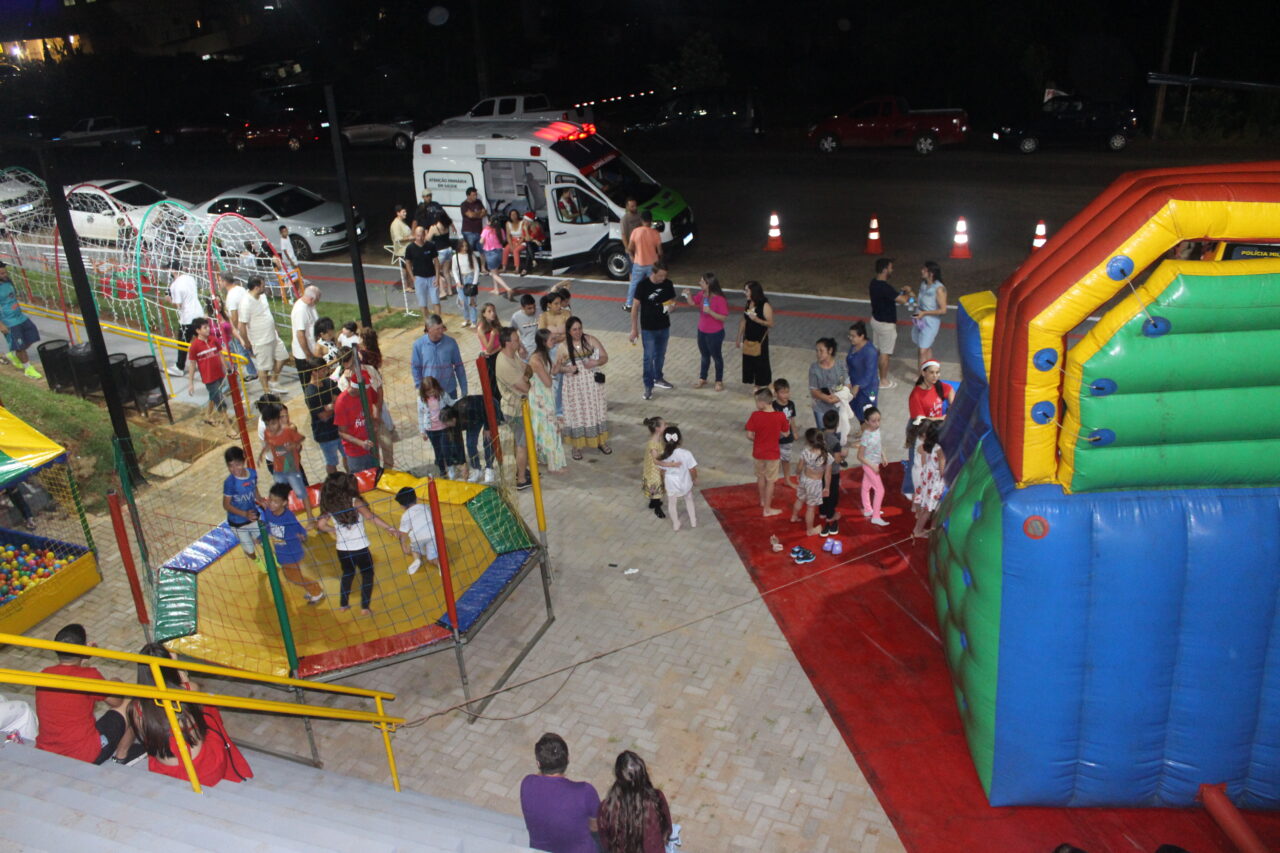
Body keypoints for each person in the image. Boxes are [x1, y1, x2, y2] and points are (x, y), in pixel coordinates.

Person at [129, 643, 252, 786]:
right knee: (208, 708)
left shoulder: (135, 707)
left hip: (167, 774)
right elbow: (189, 695)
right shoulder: (189, 689)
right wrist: (177, 667)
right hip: (205, 772)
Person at [35, 623, 142, 765]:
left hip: (49, 749)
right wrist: (116, 681)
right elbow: (116, 701)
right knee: (133, 702)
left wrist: (82, 659)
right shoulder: (89, 676)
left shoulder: (44, 674)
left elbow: (71, 675)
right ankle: (121, 757)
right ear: (84, 647)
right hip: (83, 753)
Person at [316, 472, 402, 614]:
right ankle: (365, 607)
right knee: (367, 575)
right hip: (360, 548)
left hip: (343, 549)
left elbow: (320, 524)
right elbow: (370, 516)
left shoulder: (331, 505)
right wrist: (389, 528)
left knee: (347, 574)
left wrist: (333, 530)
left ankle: (343, 604)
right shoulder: (355, 502)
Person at [519, 732, 600, 853]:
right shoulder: (585, 791)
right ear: (568, 759)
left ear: (538, 764)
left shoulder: (527, 784)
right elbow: (595, 826)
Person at [597, 751, 674, 853]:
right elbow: (668, 829)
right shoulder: (656, 798)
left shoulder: (606, 808)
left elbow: (605, 843)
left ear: (618, 775)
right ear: (643, 774)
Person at [259, 483, 325, 601]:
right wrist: (260, 538)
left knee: (292, 576)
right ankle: (313, 589)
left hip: (292, 552)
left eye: (276, 502)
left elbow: (299, 528)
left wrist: (302, 535)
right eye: (270, 500)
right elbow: (268, 527)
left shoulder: (288, 516)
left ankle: (316, 591)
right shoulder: (268, 512)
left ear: (284, 503)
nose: (271, 504)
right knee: (294, 575)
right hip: (281, 551)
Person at [559, 316, 611, 458]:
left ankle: (601, 441)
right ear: (568, 331)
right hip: (574, 387)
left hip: (592, 386)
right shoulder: (563, 346)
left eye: (580, 328)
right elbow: (556, 368)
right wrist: (567, 369)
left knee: (596, 411)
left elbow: (604, 357)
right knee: (577, 414)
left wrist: (596, 363)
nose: (578, 332)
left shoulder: (591, 340)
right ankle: (576, 446)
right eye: (574, 329)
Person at [629, 263, 676, 401]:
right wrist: (634, 329)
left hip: (664, 326)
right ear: (653, 273)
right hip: (648, 328)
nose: (663, 278)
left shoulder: (668, 284)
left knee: (660, 355)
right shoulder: (642, 285)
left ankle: (658, 378)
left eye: (665, 275)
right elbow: (635, 307)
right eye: (660, 275)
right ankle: (648, 385)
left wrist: (672, 306)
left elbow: (673, 301)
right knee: (648, 358)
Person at [259, 402, 312, 519]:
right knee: (280, 495)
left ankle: (310, 517)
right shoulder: (267, 432)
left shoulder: (288, 431)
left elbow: (301, 439)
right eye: (267, 424)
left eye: (273, 423)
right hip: (278, 469)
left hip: (291, 468)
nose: (270, 427)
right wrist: (261, 454)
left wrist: (294, 446)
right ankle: (286, 518)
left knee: (301, 492)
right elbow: (268, 444)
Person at [238, 276, 288, 396]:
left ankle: (273, 381)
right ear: (256, 287)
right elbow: (241, 326)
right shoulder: (246, 303)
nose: (264, 287)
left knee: (283, 356)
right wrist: (246, 341)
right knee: (264, 367)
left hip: (273, 335)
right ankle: (267, 392)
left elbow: (267, 313)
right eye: (263, 286)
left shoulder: (262, 296)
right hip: (260, 340)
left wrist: (275, 327)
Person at [494, 326, 531, 490]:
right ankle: (521, 479)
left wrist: (526, 376)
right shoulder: (504, 363)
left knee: (521, 443)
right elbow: (526, 387)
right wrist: (526, 379)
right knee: (523, 444)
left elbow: (528, 369)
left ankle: (523, 470)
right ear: (507, 343)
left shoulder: (511, 355)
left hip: (518, 407)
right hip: (515, 411)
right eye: (516, 340)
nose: (519, 342)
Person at [185, 318, 235, 436]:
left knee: (213, 396)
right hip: (209, 378)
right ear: (198, 330)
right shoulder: (194, 346)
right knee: (220, 401)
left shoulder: (213, 339)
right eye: (205, 328)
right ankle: (228, 429)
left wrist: (226, 368)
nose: (208, 329)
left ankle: (208, 415)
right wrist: (190, 383)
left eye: (208, 327)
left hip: (219, 374)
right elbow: (192, 365)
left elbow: (220, 354)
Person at [745, 387, 789, 517]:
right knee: (771, 481)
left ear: (762, 402)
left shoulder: (755, 415)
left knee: (760, 477)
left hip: (758, 452)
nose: (756, 404)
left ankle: (763, 500)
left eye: (756, 401)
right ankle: (768, 509)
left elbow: (749, 435)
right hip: (773, 454)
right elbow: (786, 433)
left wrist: (758, 439)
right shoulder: (780, 416)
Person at [867, 258, 911, 388]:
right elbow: (902, 300)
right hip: (886, 325)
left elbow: (891, 297)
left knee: (876, 349)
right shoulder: (885, 287)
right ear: (885, 270)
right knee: (885, 353)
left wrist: (901, 294)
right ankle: (883, 381)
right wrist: (908, 292)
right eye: (891, 268)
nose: (892, 270)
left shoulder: (873, 283)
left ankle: (872, 375)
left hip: (875, 321)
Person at [682, 272, 729, 391]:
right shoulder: (702, 294)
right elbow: (692, 303)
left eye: (702, 281)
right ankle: (703, 378)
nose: (699, 283)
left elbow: (723, 317)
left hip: (715, 333)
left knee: (716, 357)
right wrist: (688, 295)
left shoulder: (720, 299)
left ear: (709, 284)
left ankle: (719, 380)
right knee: (704, 356)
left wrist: (710, 312)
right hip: (702, 331)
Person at [528, 329, 566, 472]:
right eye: (551, 339)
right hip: (540, 399)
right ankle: (554, 464)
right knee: (550, 429)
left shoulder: (543, 355)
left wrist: (557, 367)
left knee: (544, 428)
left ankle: (544, 458)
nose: (554, 341)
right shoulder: (536, 360)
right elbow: (548, 382)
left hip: (544, 396)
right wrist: (552, 374)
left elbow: (550, 374)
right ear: (543, 342)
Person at [410, 314, 468, 402]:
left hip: (450, 391)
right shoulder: (418, 345)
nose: (441, 331)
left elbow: (459, 366)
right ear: (429, 329)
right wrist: (420, 388)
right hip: (430, 393)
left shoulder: (451, 343)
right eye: (438, 329)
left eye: (442, 327)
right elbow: (415, 368)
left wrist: (464, 390)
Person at [0, 260, 41, 379]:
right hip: (9, 322)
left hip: (20, 316)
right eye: (1, 274)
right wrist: (1, 325)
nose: (5, 275)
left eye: (5, 272)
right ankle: (28, 368)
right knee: (20, 346)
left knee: (32, 333)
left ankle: (13, 354)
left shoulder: (7, 281)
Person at [303, 355, 344, 475]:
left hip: (340, 428)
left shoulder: (328, 382)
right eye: (323, 369)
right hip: (325, 434)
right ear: (314, 372)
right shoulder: (310, 393)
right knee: (332, 462)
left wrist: (330, 406)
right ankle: (334, 482)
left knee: (348, 455)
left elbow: (341, 400)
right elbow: (324, 416)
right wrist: (335, 404)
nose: (326, 371)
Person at [441, 396, 495, 484]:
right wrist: (463, 464)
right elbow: (459, 444)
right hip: (472, 422)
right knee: (470, 444)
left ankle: (489, 469)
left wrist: (487, 427)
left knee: (487, 439)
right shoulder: (453, 425)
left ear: (453, 419)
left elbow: (485, 410)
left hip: (486, 410)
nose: (446, 426)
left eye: (447, 423)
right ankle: (477, 470)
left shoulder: (467, 409)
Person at [222, 446, 262, 560]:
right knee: (250, 550)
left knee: (262, 540)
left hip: (253, 517)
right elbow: (226, 505)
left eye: (238, 464)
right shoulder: (230, 483)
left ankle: (271, 562)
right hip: (238, 523)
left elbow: (254, 487)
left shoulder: (252, 473)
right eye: (231, 466)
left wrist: (260, 499)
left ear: (244, 461)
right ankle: (256, 561)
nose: (235, 469)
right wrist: (245, 514)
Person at [218, 271, 258, 386]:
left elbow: (234, 317)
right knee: (250, 348)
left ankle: (252, 372)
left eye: (219, 281)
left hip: (241, 327)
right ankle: (260, 368)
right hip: (250, 323)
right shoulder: (240, 289)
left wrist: (235, 331)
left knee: (242, 351)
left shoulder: (231, 297)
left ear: (225, 281)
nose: (219, 283)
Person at [655, 425, 698, 531]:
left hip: (671, 483)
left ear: (664, 440)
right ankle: (693, 520)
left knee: (672, 503)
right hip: (685, 481)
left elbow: (661, 471)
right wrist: (694, 479)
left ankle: (676, 523)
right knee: (689, 499)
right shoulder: (686, 453)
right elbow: (692, 469)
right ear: (680, 439)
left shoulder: (663, 456)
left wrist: (663, 482)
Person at [790, 428, 831, 537]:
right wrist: (827, 487)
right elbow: (827, 475)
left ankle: (794, 516)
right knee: (810, 508)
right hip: (815, 484)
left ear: (808, 442)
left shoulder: (805, 452)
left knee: (800, 498)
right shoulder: (826, 456)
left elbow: (799, 467)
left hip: (804, 479)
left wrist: (797, 474)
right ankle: (810, 530)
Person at [911, 418, 946, 539]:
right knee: (930, 509)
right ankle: (918, 531)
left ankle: (924, 529)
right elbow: (942, 471)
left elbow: (926, 461)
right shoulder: (941, 450)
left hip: (928, 480)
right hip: (935, 483)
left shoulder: (931, 444)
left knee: (928, 508)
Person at [167, 261, 201, 378]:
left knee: (182, 343)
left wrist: (170, 300)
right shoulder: (190, 278)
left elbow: (179, 305)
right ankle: (208, 362)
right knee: (203, 341)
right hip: (199, 314)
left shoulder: (175, 285)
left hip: (187, 318)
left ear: (173, 270)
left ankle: (180, 367)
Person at [737, 280, 773, 390]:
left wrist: (757, 319)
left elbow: (771, 323)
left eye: (747, 290)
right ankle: (755, 383)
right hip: (748, 337)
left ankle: (765, 383)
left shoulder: (765, 305)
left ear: (754, 291)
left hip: (760, 339)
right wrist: (739, 337)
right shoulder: (748, 303)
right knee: (750, 361)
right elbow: (744, 320)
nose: (745, 293)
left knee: (761, 362)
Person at [624, 210, 662, 312]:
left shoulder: (635, 232)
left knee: (634, 284)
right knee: (654, 284)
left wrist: (632, 256)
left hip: (639, 263)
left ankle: (629, 304)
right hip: (653, 264)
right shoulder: (655, 233)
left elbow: (629, 248)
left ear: (641, 220)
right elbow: (660, 251)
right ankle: (655, 303)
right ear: (651, 220)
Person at [857, 406, 889, 527]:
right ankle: (875, 517)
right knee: (880, 490)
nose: (877, 423)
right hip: (869, 465)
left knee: (866, 487)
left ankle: (868, 509)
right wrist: (872, 466)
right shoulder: (866, 436)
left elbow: (879, 445)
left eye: (879, 420)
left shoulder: (877, 430)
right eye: (873, 421)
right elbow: (860, 456)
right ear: (866, 421)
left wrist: (883, 456)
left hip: (874, 463)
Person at [394, 486, 437, 576]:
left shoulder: (405, 515)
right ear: (416, 498)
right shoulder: (426, 507)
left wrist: (403, 546)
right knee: (431, 558)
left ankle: (417, 559)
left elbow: (403, 533)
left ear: (402, 505)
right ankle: (438, 563)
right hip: (433, 534)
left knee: (414, 548)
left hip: (417, 537)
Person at [911, 260, 947, 366]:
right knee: (925, 346)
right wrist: (911, 293)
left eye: (924, 270)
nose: (921, 271)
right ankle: (929, 369)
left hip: (930, 321)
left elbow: (943, 310)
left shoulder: (939, 289)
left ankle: (922, 374)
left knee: (922, 350)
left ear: (931, 273)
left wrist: (925, 313)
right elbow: (921, 302)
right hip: (919, 318)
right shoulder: (923, 284)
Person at [808, 337, 848, 430]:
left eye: (821, 351)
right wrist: (827, 399)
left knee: (839, 431)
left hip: (839, 406)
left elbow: (847, 384)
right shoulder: (814, 368)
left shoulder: (841, 365)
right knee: (822, 432)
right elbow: (814, 390)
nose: (818, 354)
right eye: (817, 351)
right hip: (820, 408)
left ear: (830, 350)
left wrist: (837, 398)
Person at [845, 321, 880, 424]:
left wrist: (858, 385)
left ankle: (867, 429)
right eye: (849, 335)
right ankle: (862, 428)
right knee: (857, 408)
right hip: (855, 384)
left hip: (869, 389)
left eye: (853, 336)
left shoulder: (870, 352)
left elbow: (869, 374)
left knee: (868, 411)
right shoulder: (854, 346)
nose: (850, 338)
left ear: (862, 336)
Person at [818, 409, 846, 536]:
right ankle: (830, 515)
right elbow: (837, 459)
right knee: (831, 494)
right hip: (833, 472)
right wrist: (843, 455)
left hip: (820, 469)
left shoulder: (820, 435)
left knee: (822, 490)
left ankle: (822, 512)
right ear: (837, 424)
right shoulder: (835, 441)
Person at [417, 376, 451, 477]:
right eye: (428, 392)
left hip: (443, 427)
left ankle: (450, 467)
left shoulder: (443, 395)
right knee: (438, 450)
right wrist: (422, 431)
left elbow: (452, 403)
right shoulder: (421, 400)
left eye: (433, 391)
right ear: (424, 392)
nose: (431, 393)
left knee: (445, 448)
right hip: (431, 429)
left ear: (437, 387)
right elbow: (420, 415)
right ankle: (442, 470)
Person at [404, 226, 441, 314]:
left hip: (432, 276)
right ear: (414, 235)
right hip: (419, 277)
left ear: (424, 235)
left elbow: (436, 262)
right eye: (417, 236)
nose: (420, 238)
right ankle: (427, 321)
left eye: (421, 236)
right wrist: (412, 277)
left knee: (436, 301)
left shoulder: (430, 246)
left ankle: (438, 320)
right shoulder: (410, 248)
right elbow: (407, 263)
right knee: (422, 303)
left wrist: (437, 277)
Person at [290, 285, 321, 384]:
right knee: (308, 383)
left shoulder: (310, 305)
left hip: (313, 351)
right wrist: (308, 355)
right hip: (305, 355)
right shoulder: (301, 311)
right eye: (317, 300)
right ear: (312, 299)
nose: (317, 302)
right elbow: (300, 335)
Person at [772, 379, 798, 488]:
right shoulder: (773, 406)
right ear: (776, 393)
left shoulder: (791, 404)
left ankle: (787, 479)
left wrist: (794, 431)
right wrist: (781, 432)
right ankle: (771, 481)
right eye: (782, 392)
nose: (786, 395)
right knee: (774, 461)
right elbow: (771, 423)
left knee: (786, 460)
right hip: (775, 439)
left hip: (787, 438)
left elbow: (792, 419)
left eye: (787, 392)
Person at [481, 216, 515, 298]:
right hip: (499, 251)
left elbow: (481, 241)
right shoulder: (500, 230)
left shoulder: (486, 230)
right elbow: (503, 239)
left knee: (494, 274)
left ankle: (507, 288)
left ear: (490, 222)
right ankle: (496, 289)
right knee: (495, 271)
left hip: (490, 252)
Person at [640, 416, 667, 519]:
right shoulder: (653, 444)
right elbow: (656, 460)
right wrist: (668, 465)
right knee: (656, 487)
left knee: (655, 488)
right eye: (664, 425)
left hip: (653, 468)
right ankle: (657, 508)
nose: (666, 426)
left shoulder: (657, 439)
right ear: (657, 428)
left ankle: (653, 502)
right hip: (654, 470)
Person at [427, 213, 457, 300]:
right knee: (446, 271)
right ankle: (450, 290)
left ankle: (442, 291)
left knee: (436, 271)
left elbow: (428, 239)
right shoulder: (447, 225)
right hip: (448, 249)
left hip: (440, 251)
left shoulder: (434, 227)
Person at [452, 238, 480, 328]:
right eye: (462, 246)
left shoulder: (471, 255)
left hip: (470, 278)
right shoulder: (455, 257)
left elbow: (476, 269)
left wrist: (474, 283)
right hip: (461, 279)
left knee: (471, 301)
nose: (465, 248)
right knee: (463, 302)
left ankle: (474, 321)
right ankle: (466, 319)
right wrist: (457, 282)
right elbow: (454, 270)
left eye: (466, 246)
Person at [389, 204, 414, 292]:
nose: (405, 213)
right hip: (402, 251)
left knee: (407, 268)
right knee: (406, 268)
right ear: (398, 213)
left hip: (407, 249)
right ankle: (408, 286)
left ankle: (408, 285)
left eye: (405, 211)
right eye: (403, 212)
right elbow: (398, 238)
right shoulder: (396, 224)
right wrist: (410, 238)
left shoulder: (402, 222)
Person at [458, 187, 488, 258]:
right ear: (468, 196)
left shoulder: (478, 202)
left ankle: (483, 265)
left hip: (479, 231)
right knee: (469, 250)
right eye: (473, 195)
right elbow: (470, 215)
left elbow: (485, 212)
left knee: (483, 251)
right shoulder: (464, 205)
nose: (475, 196)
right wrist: (479, 213)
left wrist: (475, 214)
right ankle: (469, 263)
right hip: (469, 231)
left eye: (476, 195)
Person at [619, 197, 643, 279]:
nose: (635, 208)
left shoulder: (640, 215)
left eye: (635, 206)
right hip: (631, 248)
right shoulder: (624, 219)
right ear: (627, 207)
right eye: (632, 206)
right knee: (632, 270)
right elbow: (624, 236)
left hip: (640, 246)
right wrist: (629, 252)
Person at [511, 293, 540, 357]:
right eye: (529, 308)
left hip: (542, 344)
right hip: (527, 348)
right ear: (522, 308)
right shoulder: (516, 317)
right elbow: (512, 334)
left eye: (534, 307)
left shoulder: (540, 311)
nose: (533, 310)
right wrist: (519, 347)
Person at [503, 209, 529, 276]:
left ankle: (517, 268)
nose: (513, 216)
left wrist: (517, 244)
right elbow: (508, 236)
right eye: (512, 215)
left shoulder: (522, 222)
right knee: (505, 250)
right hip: (512, 241)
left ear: (517, 215)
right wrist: (511, 245)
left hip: (521, 241)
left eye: (515, 214)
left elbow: (523, 236)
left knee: (516, 250)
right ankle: (504, 267)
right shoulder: (508, 223)